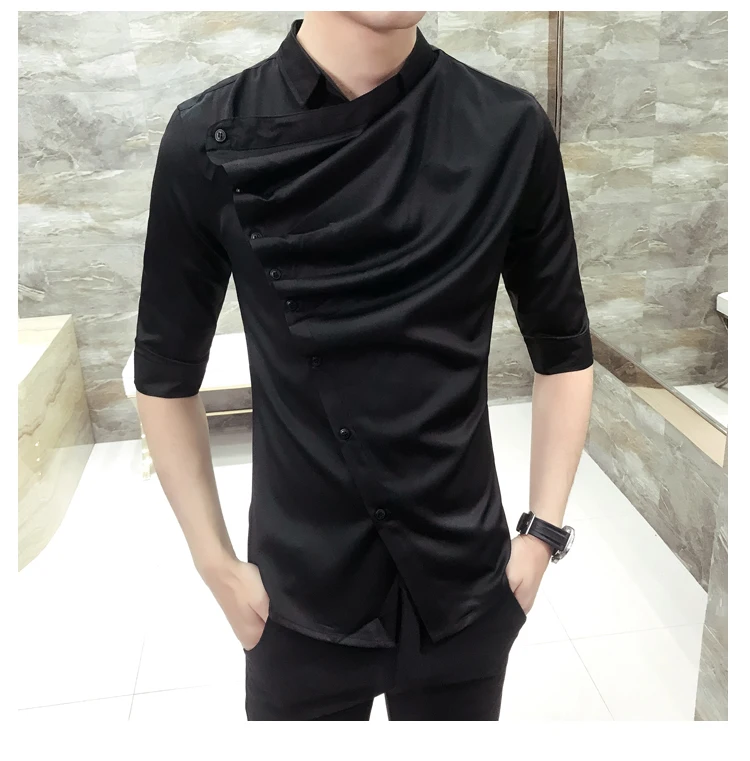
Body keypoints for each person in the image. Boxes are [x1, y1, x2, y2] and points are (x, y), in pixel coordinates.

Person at [133, 11, 594, 721]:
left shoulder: (508, 127)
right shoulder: (206, 135)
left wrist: (541, 536)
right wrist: (214, 562)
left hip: (466, 588)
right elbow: (165, 374)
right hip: (295, 598)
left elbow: (563, 352)